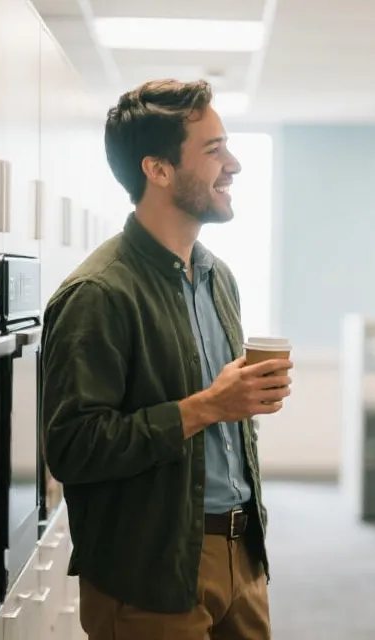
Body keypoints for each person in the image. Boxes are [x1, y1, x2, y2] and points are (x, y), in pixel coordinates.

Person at [41, 79, 291, 640]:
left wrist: (238, 402)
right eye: (213, 150)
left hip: (242, 554)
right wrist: (205, 407)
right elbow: (72, 448)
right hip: (149, 573)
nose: (234, 164)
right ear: (158, 170)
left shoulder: (216, 276)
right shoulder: (98, 292)